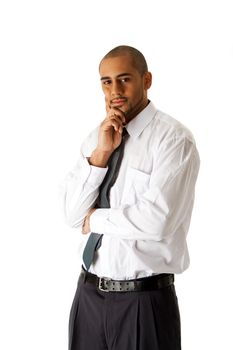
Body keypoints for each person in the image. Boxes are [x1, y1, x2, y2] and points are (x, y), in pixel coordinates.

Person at [61, 45, 200, 350]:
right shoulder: (96, 138)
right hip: (88, 296)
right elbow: (72, 215)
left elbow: (157, 221)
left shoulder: (173, 140)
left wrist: (95, 218)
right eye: (106, 82)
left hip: (143, 301)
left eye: (125, 79)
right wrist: (101, 155)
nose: (115, 90)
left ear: (146, 79)